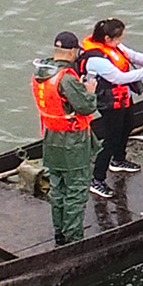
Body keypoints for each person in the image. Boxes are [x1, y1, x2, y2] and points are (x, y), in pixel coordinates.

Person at [82, 19, 143, 199]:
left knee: (127, 126)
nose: (121, 41)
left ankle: (119, 160)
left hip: (124, 97)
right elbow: (119, 77)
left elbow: (132, 56)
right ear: (107, 38)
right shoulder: (96, 59)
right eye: (118, 37)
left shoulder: (114, 46)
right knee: (111, 139)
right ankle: (97, 180)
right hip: (109, 102)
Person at [31, 32, 99, 244]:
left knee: (57, 188)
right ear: (72, 51)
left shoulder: (41, 73)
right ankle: (74, 238)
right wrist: (89, 90)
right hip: (72, 142)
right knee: (76, 191)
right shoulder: (66, 79)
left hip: (51, 139)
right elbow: (87, 106)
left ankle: (59, 233)